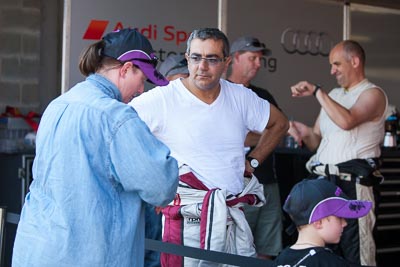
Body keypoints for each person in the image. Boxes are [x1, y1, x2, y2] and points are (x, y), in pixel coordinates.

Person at [12, 28, 179, 267]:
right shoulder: (117, 117)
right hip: (88, 256)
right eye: (142, 79)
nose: (142, 90)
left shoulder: (58, 105)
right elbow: (161, 186)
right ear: (125, 69)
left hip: (35, 251)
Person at [129, 28, 288, 266]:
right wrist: (151, 182)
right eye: (195, 57)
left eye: (211, 59)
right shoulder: (163, 98)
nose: (202, 66)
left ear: (226, 62)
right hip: (185, 220)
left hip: (231, 218)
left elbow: (279, 123)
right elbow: (119, 129)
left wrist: (253, 161)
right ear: (187, 57)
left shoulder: (240, 96)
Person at [288, 40, 388, 266]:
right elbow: (316, 141)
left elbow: (347, 121)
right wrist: (302, 132)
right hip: (325, 183)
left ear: (354, 61)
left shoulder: (373, 93)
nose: (332, 71)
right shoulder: (333, 94)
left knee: (357, 250)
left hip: (354, 184)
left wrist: (316, 91)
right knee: (325, 251)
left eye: (336, 64)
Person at [227, 36, 283, 259]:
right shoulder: (222, 92)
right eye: (252, 58)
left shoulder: (263, 96)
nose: (258, 64)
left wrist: (253, 134)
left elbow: (280, 129)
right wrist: (262, 132)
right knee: (236, 250)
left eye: (259, 59)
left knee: (267, 248)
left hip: (267, 181)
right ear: (235, 58)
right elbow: (228, 136)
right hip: (236, 185)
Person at [144, 53, 189, 267]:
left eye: (186, 80)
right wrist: (159, 195)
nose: (183, 87)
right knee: (156, 256)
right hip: (158, 201)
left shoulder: (194, 109)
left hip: (189, 200)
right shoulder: (149, 108)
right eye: (178, 80)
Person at [274, 178, 373, 267]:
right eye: (339, 217)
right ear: (318, 222)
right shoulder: (330, 263)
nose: (345, 223)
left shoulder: (280, 259)